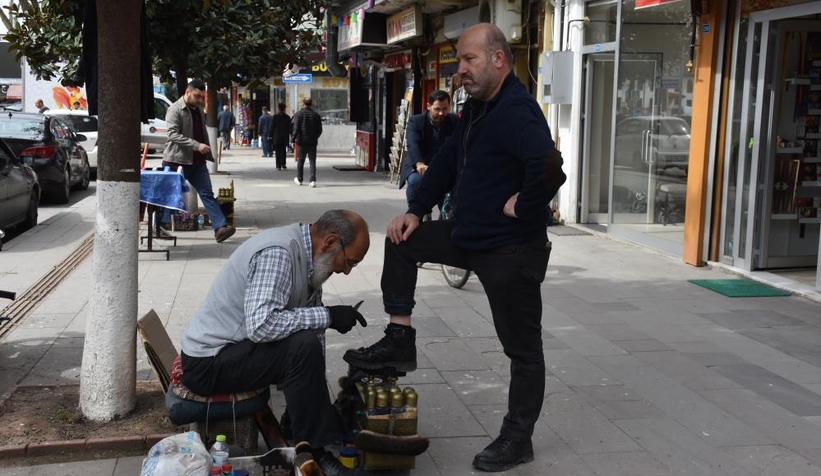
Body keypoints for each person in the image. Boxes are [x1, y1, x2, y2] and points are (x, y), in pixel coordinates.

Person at [343, 23, 562, 473]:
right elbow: (445, 163)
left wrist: (527, 206)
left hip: (510, 251)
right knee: (402, 240)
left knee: (523, 352)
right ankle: (400, 338)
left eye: (469, 60)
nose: (460, 70)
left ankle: (517, 439)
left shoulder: (516, 109)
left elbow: (550, 167)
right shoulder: (478, 109)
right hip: (469, 237)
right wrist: (417, 209)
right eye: (459, 60)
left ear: (499, 59)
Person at [180, 210, 371, 476]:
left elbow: (313, 336)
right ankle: (314, 450)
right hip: (209, 364)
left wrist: (312, 405)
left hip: (235, 352)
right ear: (330, 242)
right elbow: (261, 326)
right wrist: (328, 315)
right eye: (349, 261)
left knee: (305, 340)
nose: (347, 271)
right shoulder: (279, 253)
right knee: (301, 344)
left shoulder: (311, 259)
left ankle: (297, 425)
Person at [162, 79, 236, 243]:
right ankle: (160, 225)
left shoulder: (199, 110)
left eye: (202, 97)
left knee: (207, 194)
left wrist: (205, 151)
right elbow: (172, 135)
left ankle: (220, 228)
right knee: (170, 196)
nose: (200, 100)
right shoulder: (175, 109)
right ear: (187, 92)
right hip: (176, 161)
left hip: (197, 162)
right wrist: (196, 146)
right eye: (197, 96)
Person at [399, 90, 458, 206]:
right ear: (428, 106)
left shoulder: (454, 121)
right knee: (416, 181)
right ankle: (415, 212)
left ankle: (446, 216)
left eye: (445, 109)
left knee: (452, 188)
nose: (441, 113)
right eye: (437, 109)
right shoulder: (416, 121)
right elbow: (413, 143)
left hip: (444, 165)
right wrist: (419, 163)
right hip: (420, 165)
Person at [292, 98, 323, 188]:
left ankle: (299, 179)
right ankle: (312, 180)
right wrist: (315, 137)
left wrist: (293, 139)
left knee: (301, 160)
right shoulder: (316, 115)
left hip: (301, 141)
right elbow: (320, 130)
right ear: (311, 103)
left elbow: (296, 128)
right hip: (312, 142)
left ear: (303, 104)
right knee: (312, 161)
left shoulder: (299, 114)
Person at [271, 103, 291, 171]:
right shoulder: (287, 117)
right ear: (284, 108)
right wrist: (292, 136)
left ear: (278, 108)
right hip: (284, 137)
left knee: (277, 151)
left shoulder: (275, 117)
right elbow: (290, 128)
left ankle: (278, 165)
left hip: (277, 136)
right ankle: (283, 164)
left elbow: (272, 127)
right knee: (283, 151)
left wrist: (270, 135)